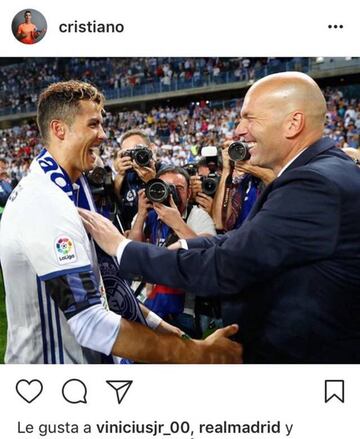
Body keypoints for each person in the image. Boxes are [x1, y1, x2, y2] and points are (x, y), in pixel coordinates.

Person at [79, 72, 360, 363]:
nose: (239, 130)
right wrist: (189, 245)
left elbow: (229, 266)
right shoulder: (322, 172)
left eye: (250, 119)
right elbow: (243, 240)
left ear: (293, 123)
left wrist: (121, 248)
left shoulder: (314, 184)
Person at [0, 80, 242, 364]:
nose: (103, 135)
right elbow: (89, 322)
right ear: (59, 129)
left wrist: (179, 337)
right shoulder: (44, 202)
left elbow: (109, 285)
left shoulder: (73, 189)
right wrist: (196, 354)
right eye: (93, 124)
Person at [129, 165, 216, 335]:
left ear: (189, 192)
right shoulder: (147, 214)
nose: (171, 193)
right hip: (143, 301)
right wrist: (140, 215)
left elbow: (207, 256)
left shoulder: (198, 216)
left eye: (178, 188)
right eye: (165, 188)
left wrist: (176, 221)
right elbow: (131, 254)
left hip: (183, 308)